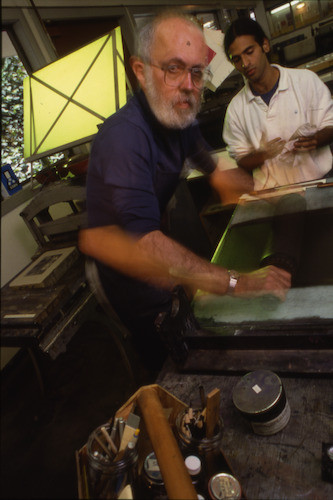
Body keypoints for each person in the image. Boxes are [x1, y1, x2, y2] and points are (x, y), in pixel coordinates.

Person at [79, 11, 291, 368]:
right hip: (124, 267)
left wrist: (271, 195)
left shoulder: (178, 115)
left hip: (150, 240)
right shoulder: (122, 140)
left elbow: (217, 172)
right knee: (171, 348)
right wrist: (239, 282)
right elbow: (144, 245)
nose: (189, 85)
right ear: (141, 71)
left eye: (196, 71)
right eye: (173, 69)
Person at [222, 17, 333, 192]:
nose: (245, 63)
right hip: (275, 195)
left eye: (249, 51)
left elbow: (331, 124)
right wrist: (262, 154)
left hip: (319, 183)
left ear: (265, 45)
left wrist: (316, 139)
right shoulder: (236, 110)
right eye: (237, 59)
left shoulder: (305, 81)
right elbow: (241, 160)